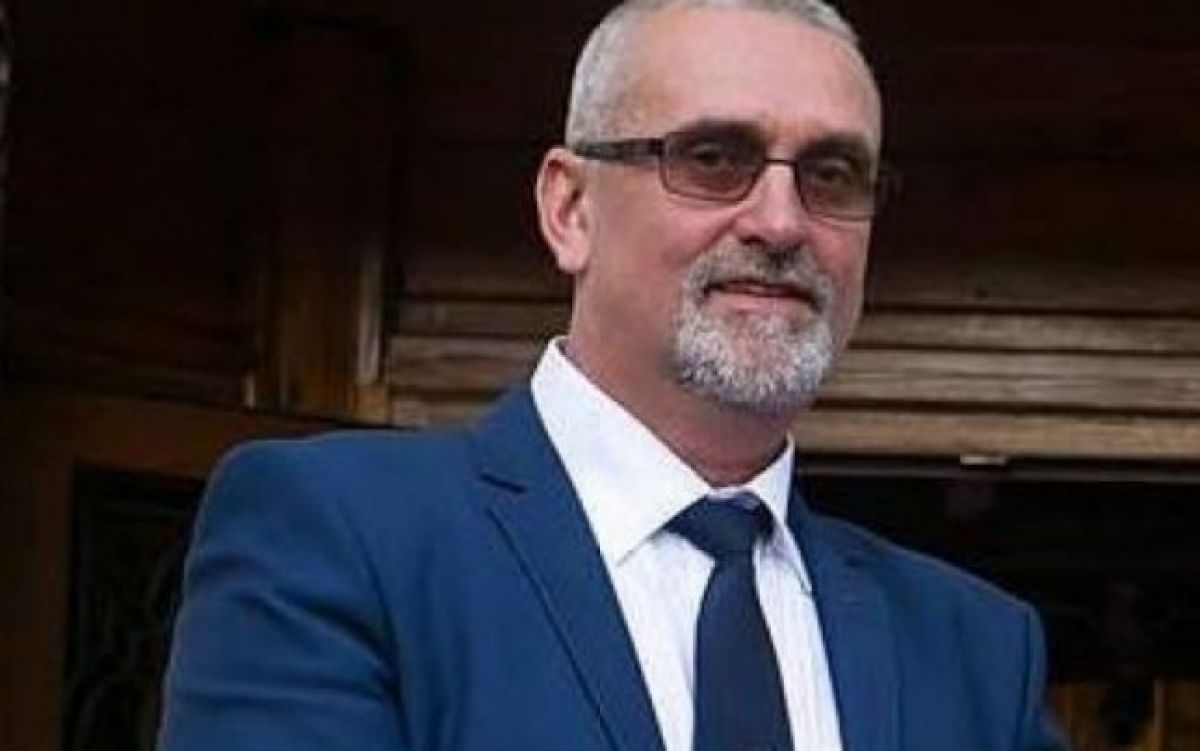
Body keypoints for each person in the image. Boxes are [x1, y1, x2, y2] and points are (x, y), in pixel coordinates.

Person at [158, 1, 1070, 749]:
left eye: (832, 175)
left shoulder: (975, 649)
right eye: (713, 158)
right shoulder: (342, 537)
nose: (782, 222)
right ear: (570, 208)